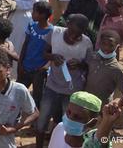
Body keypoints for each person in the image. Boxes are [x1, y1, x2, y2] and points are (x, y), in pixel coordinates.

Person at [36, 14, 93, 148]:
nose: (73, 36)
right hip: (52, 86)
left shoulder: (86, 43)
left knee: (68, 126)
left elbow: (89, 65)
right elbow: (44, 53)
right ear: (67, 24)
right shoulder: (54, 33)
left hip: (72, 92)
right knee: (42, 121)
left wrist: (79, 65)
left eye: (78, 34)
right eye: (72, 31)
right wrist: (53, 57)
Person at [47, 91, 120, 148]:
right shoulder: (60, 127)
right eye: (68, 112)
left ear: (92, 123)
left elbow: (99, 142)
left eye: (77, 117)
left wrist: (107, 122)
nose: (70, 118)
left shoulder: (89, 144)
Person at [18, 1, 53, 108]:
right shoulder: (31, 26)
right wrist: (20, 63)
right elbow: (25, 45)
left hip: (39, 72)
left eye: (34, 12)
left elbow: (52, 52)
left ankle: (34, 121)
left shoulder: (52, 31)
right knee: (18, 94)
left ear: (42, 15)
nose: (32, 14)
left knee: (37, 97)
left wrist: (44, 68)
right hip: (25, 67)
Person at [82, 30, 123, 107]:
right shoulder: (92, 58)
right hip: (85, 102)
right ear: (99, 43)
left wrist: (115, 108)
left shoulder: (117, 69)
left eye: (111, 45)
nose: (106, 48)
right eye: (104, 44)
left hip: (102, 107)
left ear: (117, 47)